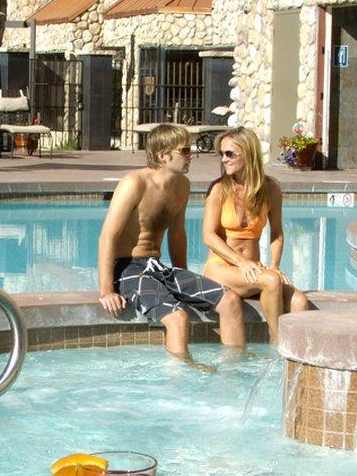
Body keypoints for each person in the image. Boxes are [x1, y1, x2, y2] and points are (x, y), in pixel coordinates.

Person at [97, 123, 246, 362]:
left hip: (156, 267)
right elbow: (107, 237)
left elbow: (177, 234)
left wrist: (183, 277)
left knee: (229, 300)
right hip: (127, 268)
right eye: (185, 151)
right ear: (163, 156)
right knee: (178, 318)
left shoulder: (181, 185)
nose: (192, 155)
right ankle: (179, 381)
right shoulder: (134, 183)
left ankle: (235, 371)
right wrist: (106, 290)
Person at [199, 126, 313, 346]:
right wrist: (241, 263)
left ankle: (300, 352)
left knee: (299, 301)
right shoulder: (219, 190)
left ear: (248, 154)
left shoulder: (270, 189)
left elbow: (277, 233)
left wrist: (275, 265)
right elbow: (208, 236)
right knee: (270, 282)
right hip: (221, 267)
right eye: (221, 154)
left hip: (252, 269)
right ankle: (278, 344)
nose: (224, 159)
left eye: (230, 154)